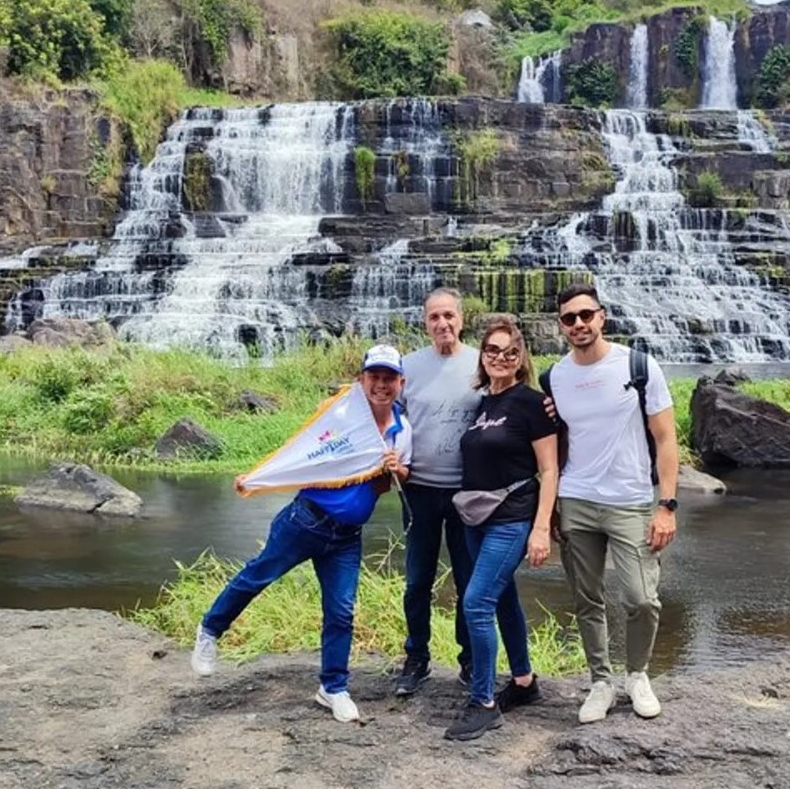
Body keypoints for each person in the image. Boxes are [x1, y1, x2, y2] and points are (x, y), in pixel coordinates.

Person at [189, 344, 412, 724]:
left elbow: (386, 486)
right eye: (374, 376)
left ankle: (333, 688)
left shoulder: (402, 431)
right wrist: (260, 478)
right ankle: (209, 630)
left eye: (389, 378)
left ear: (401, 383)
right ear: (362, 379)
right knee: (258, 575)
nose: (381, 384)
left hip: (346, 536)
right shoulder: (339, 414)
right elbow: (305, 455)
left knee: (341, 610)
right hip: (304, 521)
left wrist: (396, 470)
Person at [545, 284, 679, 725]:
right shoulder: (554, 377)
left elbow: (665, 439)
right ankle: (600, 680)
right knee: (587, 598)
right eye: (569, 318)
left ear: (602, 316)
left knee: (641, 598)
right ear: (561, 325)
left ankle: (637, 674)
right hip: (576, 500)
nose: (579, 324)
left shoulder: (638, 365)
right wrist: (548, 511)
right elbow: (553, 442)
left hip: (631, 501)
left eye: (586, 315)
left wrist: (667, 505)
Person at [444, 318, 559, 741]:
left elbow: (548, 470)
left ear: (521, 357)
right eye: (492, 350)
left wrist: (541, 528)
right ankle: (525, 682)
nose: (500, 358)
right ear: (483, 355)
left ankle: (483, 702)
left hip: (512, 519)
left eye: (510, 352)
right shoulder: (482, 405)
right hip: (475, 518)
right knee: (502, 598)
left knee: (476, 604)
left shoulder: (531, 403)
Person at [395, 288, 480, 696]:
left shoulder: (483, 362)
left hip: (469, 495)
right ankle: (417, 658)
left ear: (461, 319)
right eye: (434, 317)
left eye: (449, 315)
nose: (442, 324)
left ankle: (469, 661)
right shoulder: (407, 368)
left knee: (469, 581)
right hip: (419, 491)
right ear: (425, 322)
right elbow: (387, 420)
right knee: (416, 581)